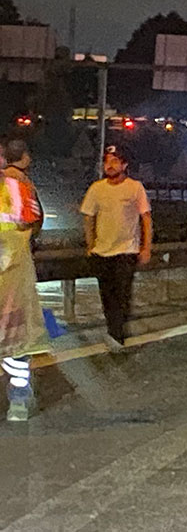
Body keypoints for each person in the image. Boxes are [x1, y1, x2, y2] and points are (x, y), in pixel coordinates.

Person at [80, 145, 152, 350]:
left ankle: (116, 334)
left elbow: (146, 218)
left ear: (124, 165)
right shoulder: (97, 188)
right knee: (107, 294)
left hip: (126, 250)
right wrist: (90, 244)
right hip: (102, 251)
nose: (109, 166)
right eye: (107, 162)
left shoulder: (135, 187)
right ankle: (113, 329)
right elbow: (88, 217)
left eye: (114, 161)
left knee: (122, 293)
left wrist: (146, 247)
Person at [0, 143, 49, 421]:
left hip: (12, 278)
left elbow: (34, 223)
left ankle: (18, 396)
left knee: (16, 340)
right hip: (11, 274)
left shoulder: (18, 189)